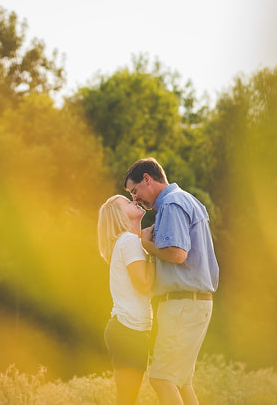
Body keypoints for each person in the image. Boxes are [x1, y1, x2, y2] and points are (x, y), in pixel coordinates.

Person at [124, 158, 219, 405]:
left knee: (162, 379)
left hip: (183, 304)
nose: (136, 200)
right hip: (194, 303)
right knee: (181, 381)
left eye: (135, 191)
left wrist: (144, 244)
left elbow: (177, 253)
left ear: (147, 178)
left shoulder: (171, 204)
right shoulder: (186, 200)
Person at [98, 194, 156, 405]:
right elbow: (144, 284)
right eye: (126, 202)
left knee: (127, 399)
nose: (134, 201)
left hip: (130, 330)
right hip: (128, 330)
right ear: (118, 215)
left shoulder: (128, 242)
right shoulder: (129, 241)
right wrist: (152, 253)